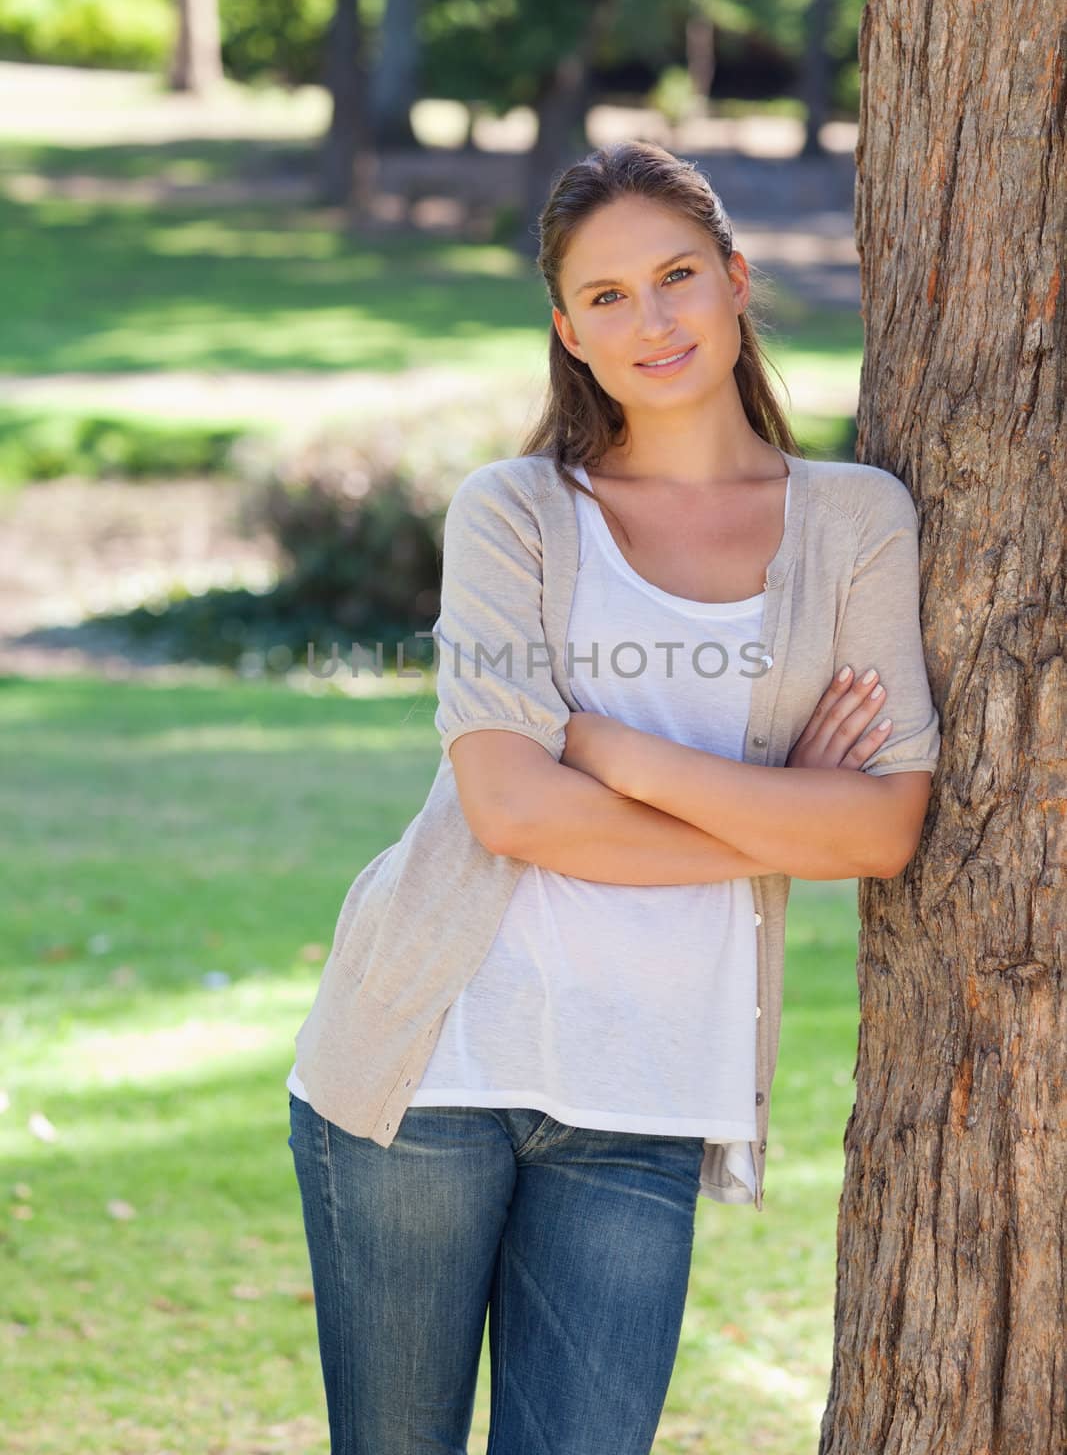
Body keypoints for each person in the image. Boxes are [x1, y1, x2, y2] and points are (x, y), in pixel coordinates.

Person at [286, 140, 941, 1455]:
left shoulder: (855, 521)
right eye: (607, 295)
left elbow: (879, 829)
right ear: (567, 332)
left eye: (678, 276)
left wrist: (612, 750)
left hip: (651, 1090)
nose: (652, 319)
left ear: (738, 280)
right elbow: (515, 815)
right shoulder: (516, 513)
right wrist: (772, 812)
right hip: (429, 1061)